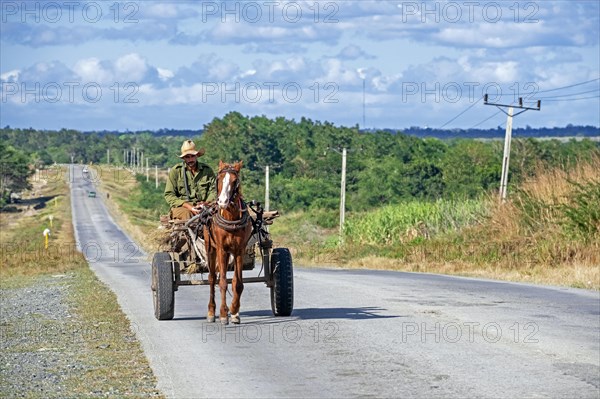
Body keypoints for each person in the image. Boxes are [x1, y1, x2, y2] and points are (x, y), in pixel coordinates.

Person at [164, 140, 216, 220]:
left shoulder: (207, 170)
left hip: (205, 206)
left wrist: (206, 203)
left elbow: (214, 190)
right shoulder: (176, 171)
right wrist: (189, 206)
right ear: (183, 158)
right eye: (187, 157)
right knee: (187, 215)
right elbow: (169, 195)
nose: (190, 159)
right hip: (182, 208)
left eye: (192, 156)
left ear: (196, 156)